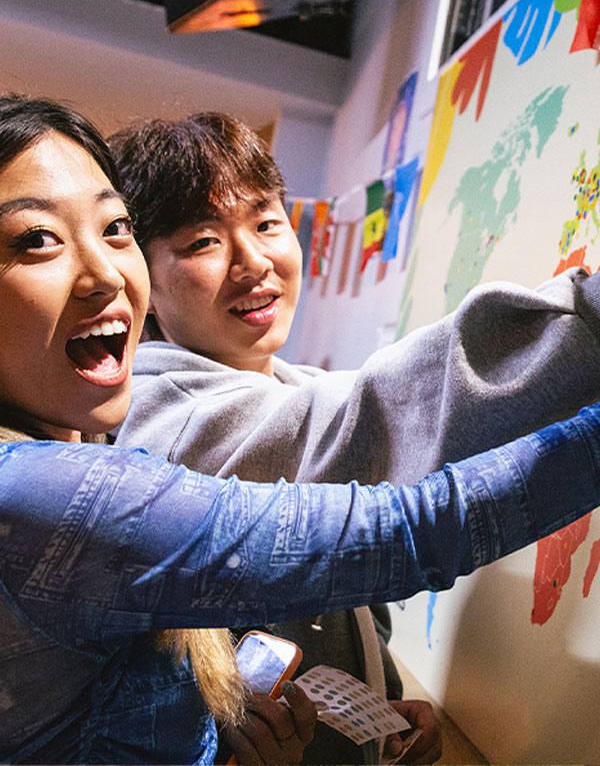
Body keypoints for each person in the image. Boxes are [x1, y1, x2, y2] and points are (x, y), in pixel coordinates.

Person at [1, 95, 600, 766]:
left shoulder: (278, 386)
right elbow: (397, 512)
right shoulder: (135, 425)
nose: (252, 259)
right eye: (201, 240)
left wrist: (381, 698)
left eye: (267, 220)